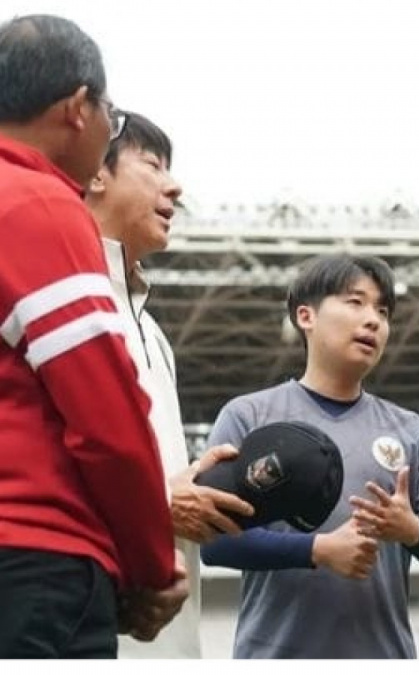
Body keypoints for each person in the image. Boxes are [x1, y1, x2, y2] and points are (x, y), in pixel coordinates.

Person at [0, 15, 185, 658]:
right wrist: (152, 569)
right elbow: (107, 418)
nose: (108, 127)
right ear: (78, 109)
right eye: (111, 111)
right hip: (28, 570)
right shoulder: (35, 203)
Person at [200, 254, 419, 659]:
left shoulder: (410, 431)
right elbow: (214, 543)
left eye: (383, 310)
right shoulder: (249, 416)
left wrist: (411, 528)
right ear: (306, 316)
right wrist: (319, 550)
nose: (374, 320)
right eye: (355, 302)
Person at [83, 111, 255, 658]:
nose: (174, 185)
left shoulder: (154, 333)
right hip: (89, 624)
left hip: (171, 637)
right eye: (153, 165)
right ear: (95, 175)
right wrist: (158, 502)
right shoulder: (64, 305)